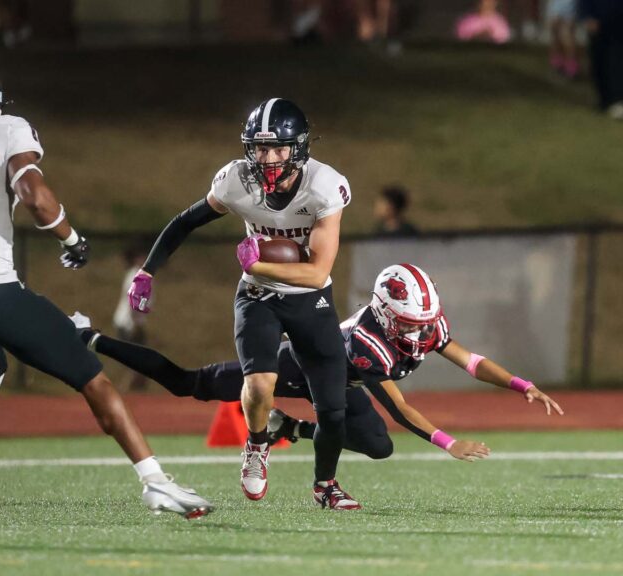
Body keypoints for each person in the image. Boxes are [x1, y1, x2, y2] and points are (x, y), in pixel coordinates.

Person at [0, 54, 213, 524]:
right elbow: (33, 194)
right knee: (93, 378)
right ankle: (155, 482)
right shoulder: (7, 128)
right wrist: (71, 238)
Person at [76, 264, 564, 464]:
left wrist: (522, 384)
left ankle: (290, 427)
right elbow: (398, 406)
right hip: (297, 369)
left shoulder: (419, 325)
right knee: (188, 383)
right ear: (388, 313)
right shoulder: (369, 343)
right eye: (412, 321)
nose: (422, 330)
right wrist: (448, 442)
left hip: (338, 386)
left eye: (424, 320)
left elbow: (470, 360)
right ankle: (92, 336)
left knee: (379, 448)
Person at [128, 98, 359, 509]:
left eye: (278, 148)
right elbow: (186, 221)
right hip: (258, 296)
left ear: (299, 148)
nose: (268, 158)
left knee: (333, 406)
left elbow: (316, 272)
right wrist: (147, 271)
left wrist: (260, 264)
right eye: (259, 147)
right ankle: (256, 443)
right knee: (257, 384)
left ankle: (326, 485)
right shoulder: (236, 180)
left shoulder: (324, 186)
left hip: (309, 297)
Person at [113, 244, 150, 391]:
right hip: (128, 323)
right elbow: (134, 300)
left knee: (138, 359)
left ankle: (131, 389)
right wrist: (136, 323)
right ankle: (126, 389)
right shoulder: (138, 276)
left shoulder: (139, 274)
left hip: (128, 322)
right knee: (135, 360)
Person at [579, 0, 623, 119]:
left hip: (618, 21)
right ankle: (604, 99)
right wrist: (588, 16)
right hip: (597, 20)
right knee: (598, 61)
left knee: (616, 61)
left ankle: (617, 100)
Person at [548, 0, 580, 79]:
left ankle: (571, 66)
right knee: (555, 30)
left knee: (567, 34)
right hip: (557, 3)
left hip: (570, 4)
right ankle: (559, 61)